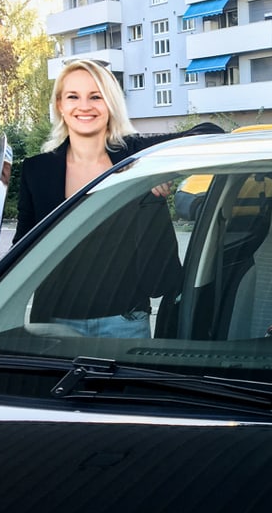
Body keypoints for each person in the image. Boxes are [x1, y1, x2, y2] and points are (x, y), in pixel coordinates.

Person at [14, 59, 223, 337]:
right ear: (60, 106)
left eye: (96, 96)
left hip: (125, 322)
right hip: (53, 322)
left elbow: (209, 134)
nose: (85, 106)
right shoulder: (37, 170)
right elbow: (23, 247)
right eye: (73, 96)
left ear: (110, 104)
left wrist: (160, 169)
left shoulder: (135, 154)